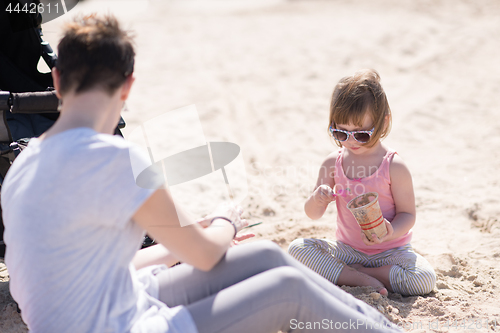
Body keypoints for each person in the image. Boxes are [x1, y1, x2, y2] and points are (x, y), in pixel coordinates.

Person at [1, 15, 403, 333]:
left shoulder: (22, 165)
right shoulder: (116, 159)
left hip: (96, 305)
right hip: (116, 323)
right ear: (127, 87)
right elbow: (207, 254)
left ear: (56, 80)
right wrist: (227, 221)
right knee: (286, 291)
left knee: (262, 254)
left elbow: (84, 268)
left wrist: (198, 231)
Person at [288, 69, 436, 297]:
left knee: (424, 279)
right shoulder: (332, 163)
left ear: (383, 123)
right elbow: (312, 214)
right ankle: (357, 276)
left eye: (361, 135)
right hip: (348, 250)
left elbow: (408, 215)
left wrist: (391, 231)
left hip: (391, 251)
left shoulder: (394, 166)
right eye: (340, 133)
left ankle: (360, 274)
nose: (350, 141)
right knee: (297, 249)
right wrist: (317, 199)